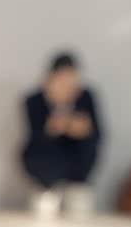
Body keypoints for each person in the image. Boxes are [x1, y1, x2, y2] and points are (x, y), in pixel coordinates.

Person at [22, 52, 102, 218]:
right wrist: (58, 116)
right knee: (41, 151)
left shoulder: (86, 97)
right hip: (48, 160)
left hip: (76, 160)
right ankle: (47, 189)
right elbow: (36, 136)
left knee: (88, 144)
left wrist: (78, 127)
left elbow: (96, 132)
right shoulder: (34, 100)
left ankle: (77, 187)